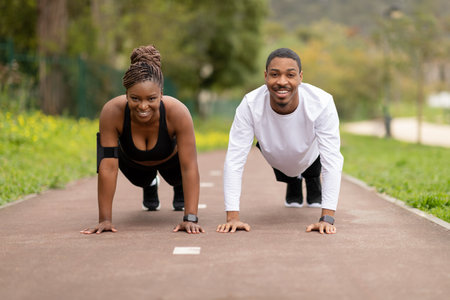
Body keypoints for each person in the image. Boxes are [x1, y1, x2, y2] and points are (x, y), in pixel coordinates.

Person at [217, 48, 343, 235]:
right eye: (275, 75)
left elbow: (332, 160)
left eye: (290, 75)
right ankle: (294, 180)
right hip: (276, 153)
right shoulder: (250, 105)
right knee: (290, 171)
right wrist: (232, 217)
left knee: (312, 170)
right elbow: (234, 160)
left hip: (310, 153)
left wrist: (327, 218)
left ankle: (311, 180)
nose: (282, 82)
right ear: (266, 76)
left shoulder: (322, 103)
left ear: (300, 77)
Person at [81, 45, 204, 235]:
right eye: (135, 98)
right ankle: (150, 184)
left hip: (171, 163)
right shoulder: (111, 112)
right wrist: (104, 220)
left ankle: (178, 188)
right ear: (126, 94)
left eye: (152, 98)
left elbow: (189, 166)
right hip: (134, 164)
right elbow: (108, 166)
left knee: (178, 178)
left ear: (162, 94)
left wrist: (190, 217)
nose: (143, 106)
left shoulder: (178, 112)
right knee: (143, 180)